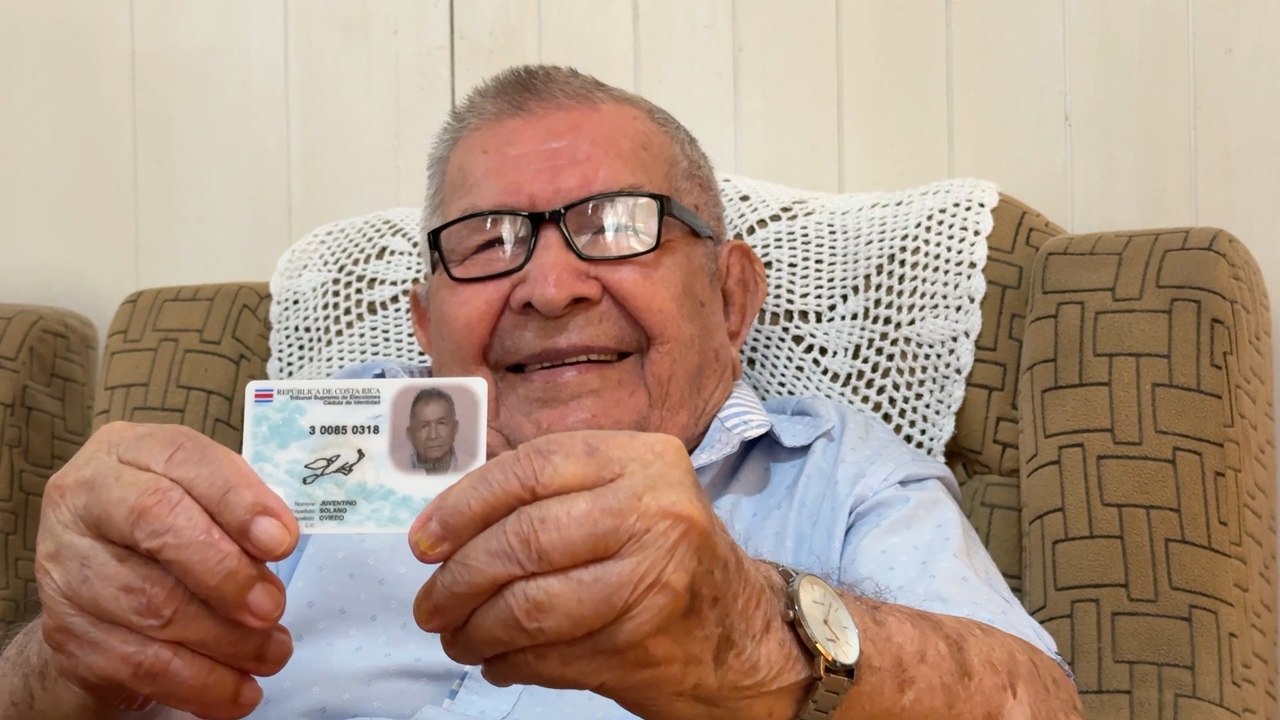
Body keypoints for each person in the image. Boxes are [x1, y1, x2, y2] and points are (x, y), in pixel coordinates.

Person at [0, 65, 1084, 720]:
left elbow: (1037, 708)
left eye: (618, 225)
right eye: (487, 241)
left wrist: (754, 638)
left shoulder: (834, 473)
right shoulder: (295, 467)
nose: (550, 285)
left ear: (732, 290)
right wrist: (66, 655)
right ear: (425, 327)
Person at [406, 388, 460, 473]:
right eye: (424, 426)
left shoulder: (475, 467)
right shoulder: (392, 471)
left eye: (441, 423)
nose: (433, 436)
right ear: (410, 434)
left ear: (455, 428)